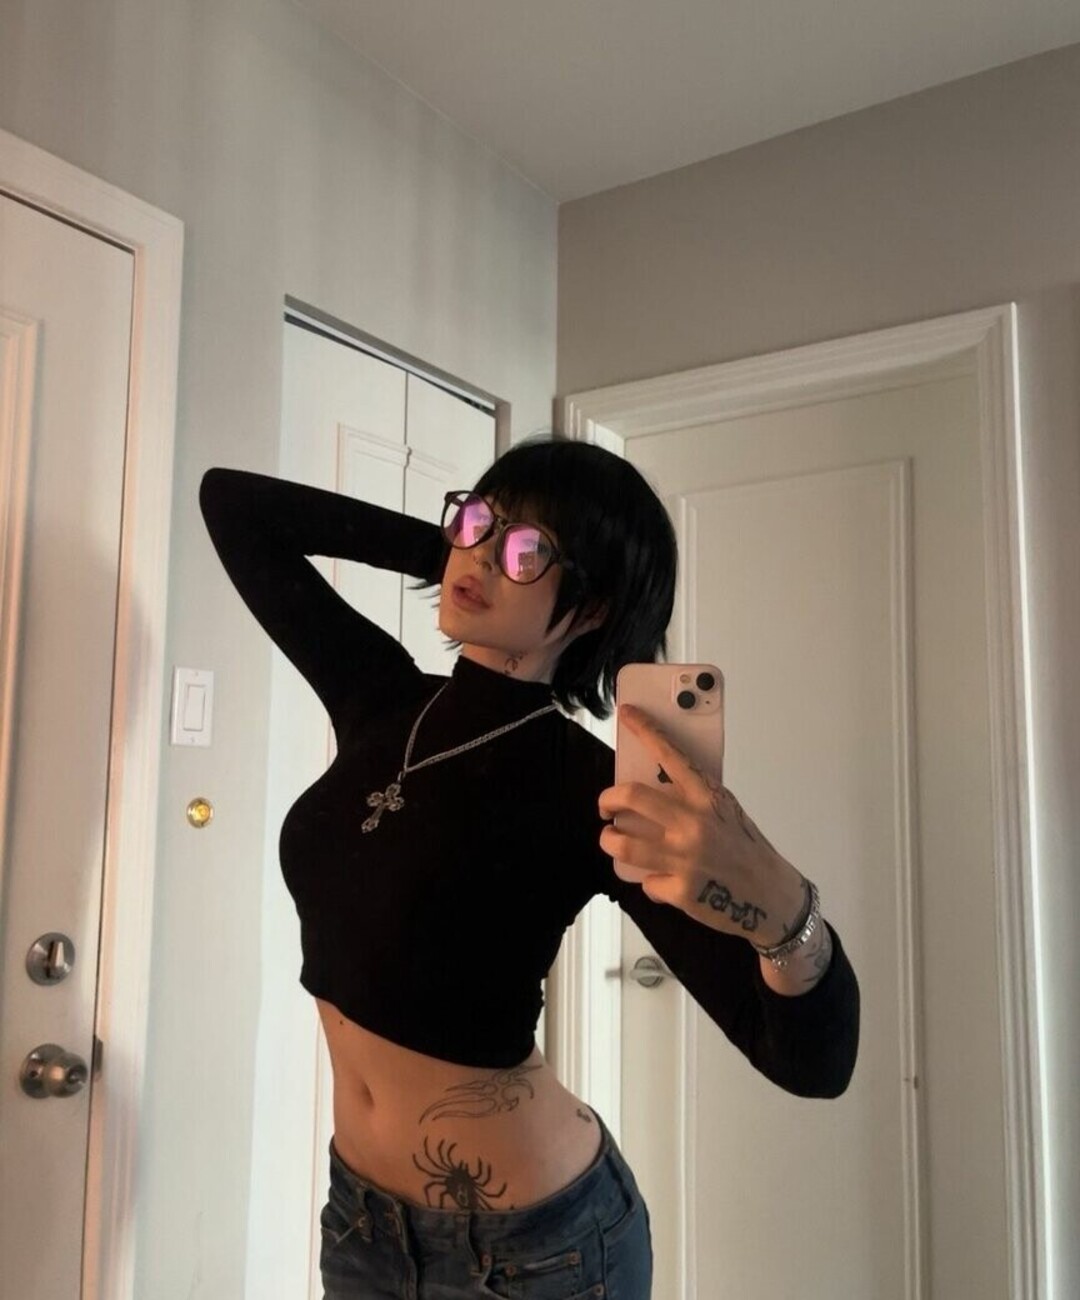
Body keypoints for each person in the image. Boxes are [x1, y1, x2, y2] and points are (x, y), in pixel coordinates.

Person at [199, 433, 859, 1300]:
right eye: (478, 522)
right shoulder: (380, 698)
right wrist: (471, 553)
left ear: (592, 608)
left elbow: (811, 1064)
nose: (480, 554)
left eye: (527, 550)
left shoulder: (592, 790)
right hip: (362, 1222)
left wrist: (782, 911)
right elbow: (236, 507)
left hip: (537, 1253)